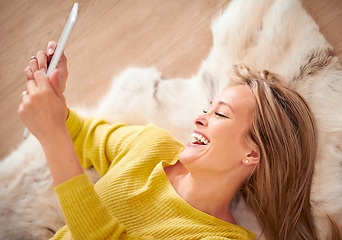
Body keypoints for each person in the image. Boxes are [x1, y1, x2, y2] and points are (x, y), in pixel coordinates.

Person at [19, 41, 320, 240]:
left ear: (252, 154)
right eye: (207, 109)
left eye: (221, 115)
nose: (199, 119)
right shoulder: (152, 144)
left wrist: (53, 138)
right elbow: (83, 135)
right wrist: (54, 103)